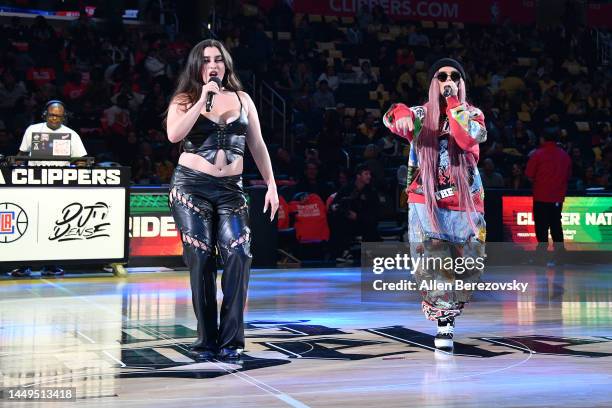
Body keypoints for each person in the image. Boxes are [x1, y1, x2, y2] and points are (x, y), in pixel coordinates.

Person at [165, 39, 278, 361]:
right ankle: (206, 342)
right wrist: (202, 99)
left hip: (231, 189)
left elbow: (257, 144)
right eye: (205, 60)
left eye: (217, 59)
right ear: (196, 67)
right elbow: (174, 136)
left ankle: (232, 341)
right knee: (200, 258)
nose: (212, 65)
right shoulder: (185, 99)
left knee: (239, 254)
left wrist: (271, 184)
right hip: (191, 187)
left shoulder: (242, 99)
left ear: (226, 65)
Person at [383, 58, 487, 351]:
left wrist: (454, 102)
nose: (447, 80)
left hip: (465, 201)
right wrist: (400, 111)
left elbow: (469, 139)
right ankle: (445, 323)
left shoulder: (473, 114)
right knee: (433, 263)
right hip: (426, 200)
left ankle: (449, 313)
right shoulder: (421, 114)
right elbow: (391, 118)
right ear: (433, 82)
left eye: (454, 76)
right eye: (442, 76)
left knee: (470, 267)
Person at [10, 100, 87, 278]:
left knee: (53, 225)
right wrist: (18, 162)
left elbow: (81, 159)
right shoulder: (32, 130)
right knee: (30, 225)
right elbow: (21, 155)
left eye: (59, 116)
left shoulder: (71, 134)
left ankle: (50, 265)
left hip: (58, 185)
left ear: (64, 117)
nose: (55, 119)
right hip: (33, 183)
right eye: (52, 115)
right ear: (45, 114)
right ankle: (24, 265)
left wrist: (79, 166)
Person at [525, 132, 572, 266]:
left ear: (542, 138)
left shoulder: (537, 154)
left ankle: (541, 258)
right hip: (557, 198)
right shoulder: (564, 155)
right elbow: (568, 175)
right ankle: (560, 258)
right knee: (556, 226)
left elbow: (529, 174)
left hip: (541, 197)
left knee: (541, 227)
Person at [328, 164, 380, 263]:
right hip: (347, 221)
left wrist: (357, 216)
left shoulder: (372, 191)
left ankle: (371, 253)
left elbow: (374, 212)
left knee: (371, 224)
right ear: (358, 176)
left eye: (369, 174)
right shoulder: (347, 188)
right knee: (337, 221)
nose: (369, 176)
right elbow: (334, 204)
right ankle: (343, 253)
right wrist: (336, 208)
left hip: (364, 221)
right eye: (366, 174)